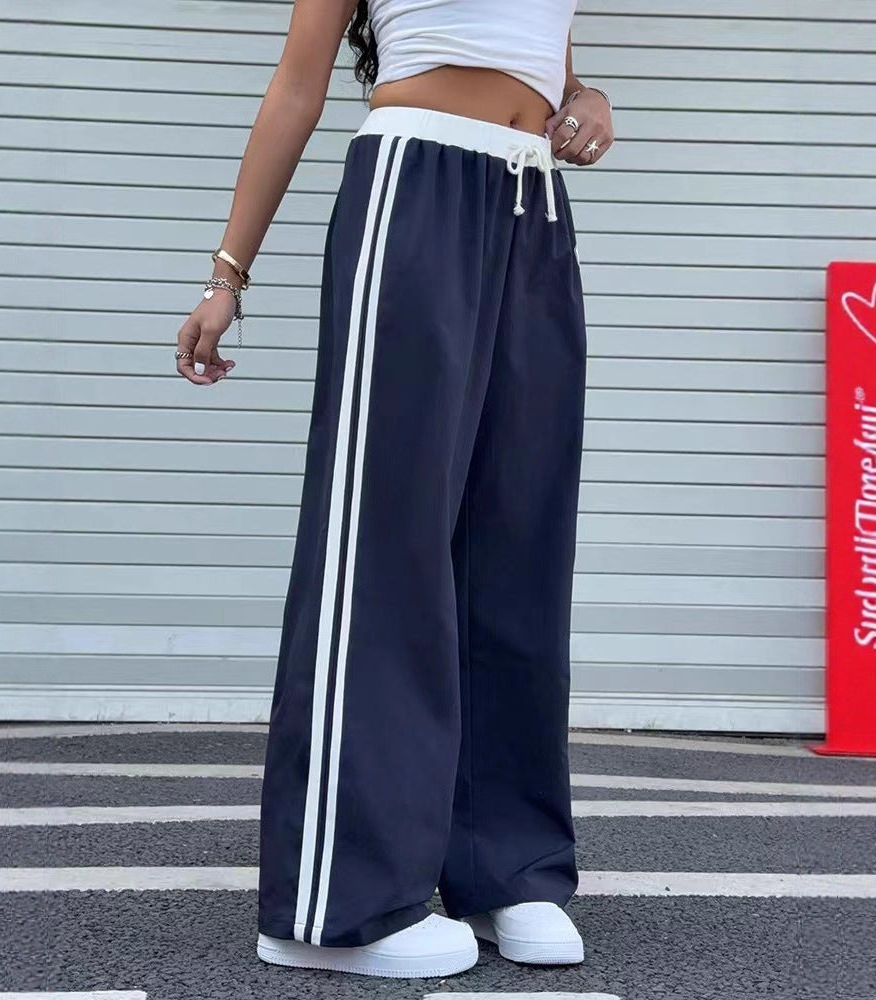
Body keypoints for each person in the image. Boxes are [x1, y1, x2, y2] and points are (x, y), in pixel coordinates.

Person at [174, 0, 614, 981]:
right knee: (384, 546)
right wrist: (227, 275)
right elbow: (297, 85)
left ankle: (505, 868)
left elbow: (545, 58)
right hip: (416, 187)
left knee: (517, 545)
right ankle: (334, 905)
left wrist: (587, 98)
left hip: (533, 206)